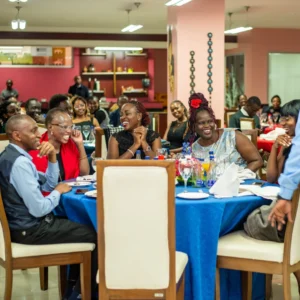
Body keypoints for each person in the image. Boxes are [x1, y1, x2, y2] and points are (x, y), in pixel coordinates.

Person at [0, 115, 97, 300]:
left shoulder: (13, 157)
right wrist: (59, 191)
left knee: (78, 226)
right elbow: (39, 208)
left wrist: (52, 157)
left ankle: (74, 289)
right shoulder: (20, 164)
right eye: (33, 131)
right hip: (29, 229)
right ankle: (84, 293)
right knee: (94, 233)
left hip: (22, 225)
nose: (39, 135)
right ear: (17, 135)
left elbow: (47, 185)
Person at [189, 93, 263, 172]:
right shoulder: (194, 148)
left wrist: (240, 177)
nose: (207, 125)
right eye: (201, 123)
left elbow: (257, 161)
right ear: (194, 127)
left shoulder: (232, 136)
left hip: (240, 183)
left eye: (210, 121)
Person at [29, 108, 89, 181]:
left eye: (71, 127)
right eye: (64, 127)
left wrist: (80, 144)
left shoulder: (70, 144)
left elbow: (85, 173)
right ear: (50, 127)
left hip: (70, 189)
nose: (69, 131)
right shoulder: (37, 147)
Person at [266, 100, 300, 183]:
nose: (283, 123)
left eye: (287, 119)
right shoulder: (288, 141)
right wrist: (275, 147)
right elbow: (272, 178)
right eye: (282, 119)